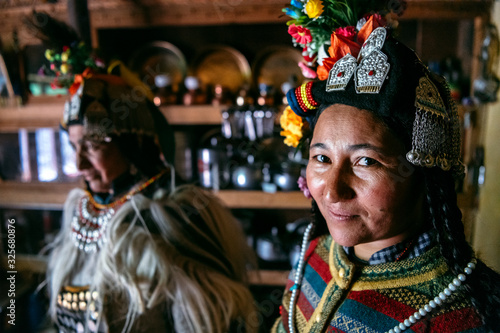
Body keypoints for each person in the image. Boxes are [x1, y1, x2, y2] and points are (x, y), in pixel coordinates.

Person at [273, 2, 500, 333]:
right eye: (322, 158)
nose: (333, 191)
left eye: (366, 161)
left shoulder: (467, 314)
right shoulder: (317, 252)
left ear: (423, 173)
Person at [43, 62, 258, 333]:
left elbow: (210, 319)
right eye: (74, 146)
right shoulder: (80, 212)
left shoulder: (174, 218)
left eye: (93, 145)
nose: (79, 163)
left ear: (132, 145)